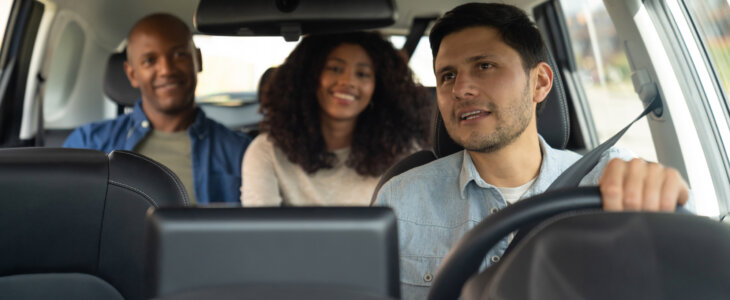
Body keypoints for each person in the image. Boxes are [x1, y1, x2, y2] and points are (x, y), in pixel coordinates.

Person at [374, 3, 691, 299]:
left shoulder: (609, 183)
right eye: (447, 76)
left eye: (485, 66)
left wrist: (660, 196)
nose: (460, 89)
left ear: (540, 82)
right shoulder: (400, 199)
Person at [64, 13, 251, 205]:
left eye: (179, 54)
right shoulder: (88, 144)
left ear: (198, 60)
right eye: (150, 61)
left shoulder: (242, 153)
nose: (166, 70)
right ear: (132, 74)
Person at [242, 31, 432, 206]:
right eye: (335, 68)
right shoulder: (267, 151)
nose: (347, 82)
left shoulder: (403, 154)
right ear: (310, 77)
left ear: (378, 88)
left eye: (362, 74)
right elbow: (258, 236)